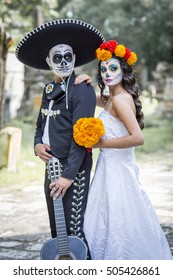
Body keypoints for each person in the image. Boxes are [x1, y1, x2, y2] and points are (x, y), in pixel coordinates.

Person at [15, 19, 105, 255]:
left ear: (74, 58)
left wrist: (68, 177)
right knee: (57, 228)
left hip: (73, 168)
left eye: (68, 56)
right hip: (51, 166)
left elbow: (82, 138)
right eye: (57, 57)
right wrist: (36, 145)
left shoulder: (82, 88)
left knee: (74, 230)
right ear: (48, 62)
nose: (64, 62)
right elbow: (39, 125)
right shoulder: (48, 91)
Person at [79, 40, 173, 259]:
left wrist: (100, 144)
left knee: (119, 218)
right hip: (111, 166)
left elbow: (138, 138)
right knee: (111, 216)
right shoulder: (113, 97)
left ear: (124, 70)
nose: (107, 73)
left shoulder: (120, 100)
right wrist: (83, 83)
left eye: (113, 68)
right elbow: (90, 99)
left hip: (117, 169)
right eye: (103, 69)